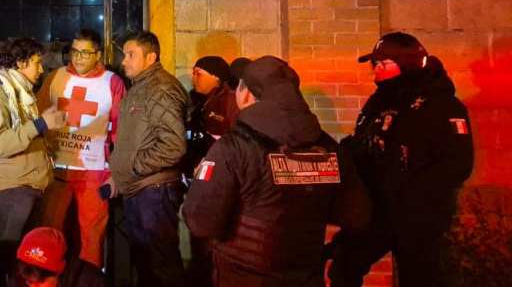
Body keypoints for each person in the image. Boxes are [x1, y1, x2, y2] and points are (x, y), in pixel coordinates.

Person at [182, 56, 366, 286]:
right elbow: (356, 215)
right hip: (307, 275)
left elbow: (200, 220)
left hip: (244, 277)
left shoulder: (234, 147)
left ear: (246, 93)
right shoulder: (327, 147)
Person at [327, 32, 474, 287]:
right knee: (344, 265)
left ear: (406, 64)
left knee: (418, 277)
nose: (376, 72)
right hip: (378, 210)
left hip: (419, 216)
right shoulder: (380, 102)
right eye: (376, 65)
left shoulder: (441, 104)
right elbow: (368, 146)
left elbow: (457, 163)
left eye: (383, 65)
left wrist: (413, 193)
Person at [0, 37, 66, 287]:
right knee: (5, 262)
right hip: (12, 190)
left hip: (29, 187)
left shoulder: (22, 91)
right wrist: (40, 125)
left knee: (24, 265)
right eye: (37, 63)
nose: (41, 69)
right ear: (20, 62)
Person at [35, 29, 125, 269]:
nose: (79, 57)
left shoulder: (112, 83)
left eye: (85, 53)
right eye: (75, 51)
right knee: (50, 234)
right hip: (57, 171)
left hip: (94, 172)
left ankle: (90, 280)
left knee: (92, 238)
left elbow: (120, 131)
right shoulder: (55, 77)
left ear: (98, 54)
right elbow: (37, 118)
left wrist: (115, 172)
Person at [107, 31, 190, 287]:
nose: (124, 61)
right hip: (140, 190)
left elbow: (173, 145)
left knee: (160, 266)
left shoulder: (161, 88)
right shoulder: (141, 87)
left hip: (153, 191)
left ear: (151, 57)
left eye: (131, 55)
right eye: (124, 55)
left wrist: (132, 166)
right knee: (146, 266)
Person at [182, 56, 239, 287]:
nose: (194, 77)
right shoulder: (197, 101)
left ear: (216, 77)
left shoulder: (228, 102)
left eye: (199, 73)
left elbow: (231, 143)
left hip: (215, 185)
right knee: (198, 242)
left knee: (209, 246)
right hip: (196, 182)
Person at [9, 228, 105, 287]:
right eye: (29, 282)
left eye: (40, 283)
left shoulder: (91, 282)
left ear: (59, 272)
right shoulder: (18, 281)